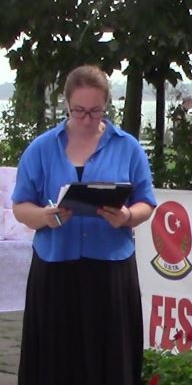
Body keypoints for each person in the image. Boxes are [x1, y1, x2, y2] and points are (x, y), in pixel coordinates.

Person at [11, 65, 157, 385]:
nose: (87, 120)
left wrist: (128, 216)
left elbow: (146, 202)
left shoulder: (128, 147)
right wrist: (45, 217)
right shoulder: (41, 148)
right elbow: (20, 207)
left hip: (110, 269)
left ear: (106, 105)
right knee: (55, 361)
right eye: (79, 111)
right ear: (66, 104)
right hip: (55, 268)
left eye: (95, 111)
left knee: (109, 360)